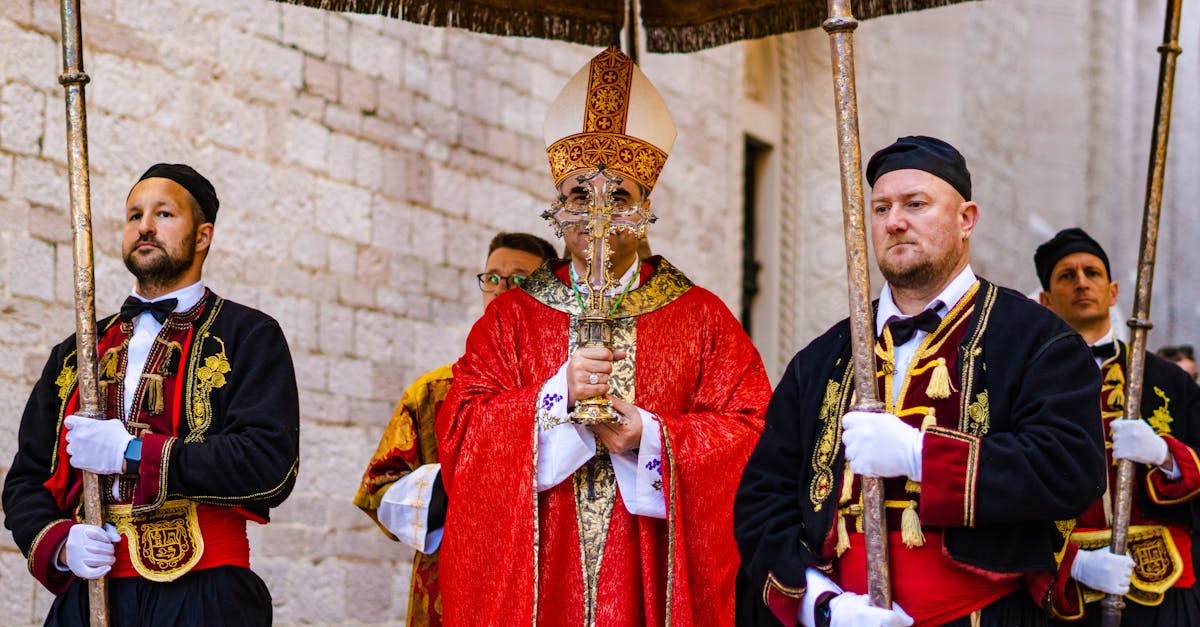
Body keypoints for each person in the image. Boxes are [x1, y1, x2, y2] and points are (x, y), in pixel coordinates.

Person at [435, 47, 772, 625]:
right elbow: (462, 430)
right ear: (556, 210)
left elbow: (752, 431)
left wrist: (652, 436)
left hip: (648, 570)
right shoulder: (512, 317)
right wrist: (552, 397)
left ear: (645, 209)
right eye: (578, 196)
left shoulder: (701, 317)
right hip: (541, 574)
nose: (596, 215)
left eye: (618, 197)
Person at [734, 136, 1107, 627]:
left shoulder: (1040, 341)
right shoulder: (821, 358)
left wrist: (920, 455)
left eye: (916, 204)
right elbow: (763, 498)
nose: (895, 221)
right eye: (881, 208)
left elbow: (1070, 469)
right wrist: (822, 605)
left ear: (966, 219)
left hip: (985, 615)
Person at [3, 164, 300, 626]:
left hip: (206, 596)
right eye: (133, 215)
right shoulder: (75, 353)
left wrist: (132, 452)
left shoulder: (249, 336)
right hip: (93, 596)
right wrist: (60, 542)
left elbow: (268, 465)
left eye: (163, 214)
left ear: (203, 236)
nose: (144, 225)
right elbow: (25, 480)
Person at [353, 231, 556, 627]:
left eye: (519, 279)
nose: (501, 288)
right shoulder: (434, 391)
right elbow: (377, 490)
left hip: (539, 588)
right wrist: (458, 486)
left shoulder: (565, 392)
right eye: (493, 277)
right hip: (448, 591)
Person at [1033, 227, 1200, 625]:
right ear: (1045, 301)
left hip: (1165, 590)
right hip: (1070, 587)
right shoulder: (1028, 381)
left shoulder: (1169, 379)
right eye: (1066, 276)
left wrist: (1165, 455)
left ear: (1113, 291)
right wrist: (1073, 564)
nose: (1081, 283)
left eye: (1091, 272)